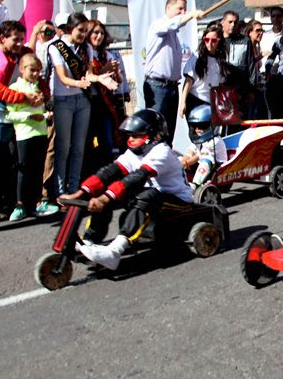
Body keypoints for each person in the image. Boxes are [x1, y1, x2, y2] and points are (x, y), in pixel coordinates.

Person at [60, 109, 194, 270]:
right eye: (130, 135)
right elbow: (110, 171)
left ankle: (115, 251)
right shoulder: (133, 153)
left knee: (144, 195)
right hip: (152, 195)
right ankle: (89, 241)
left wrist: (105, 198)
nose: (130, 139)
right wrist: (81, 193)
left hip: (178, 199)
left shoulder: (162, 151)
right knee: (109, 191)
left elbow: (138, 177)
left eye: (136, 135)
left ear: (154, 135)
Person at [0, 20, 46, 219]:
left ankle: (21, 202)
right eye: (15, 40)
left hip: (25, 123)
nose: (19, 44)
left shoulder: (24, 53)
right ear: (2, 38)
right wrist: (23, 97)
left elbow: (39, 78)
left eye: (21, 39)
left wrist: (43, 94)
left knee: (20, 163)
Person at [49, 13, 117, 197]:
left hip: (82, 101)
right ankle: (59, 191)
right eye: (81, 30)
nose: (82, 34)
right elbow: (62, 77)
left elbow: (88, 75)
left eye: (85, 31)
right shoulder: (57, 47)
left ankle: (74, 189)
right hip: (63, 101)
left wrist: (100, 78)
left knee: (79, 147)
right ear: (71, 27)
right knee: (64, 147)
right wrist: (79, 83)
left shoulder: (86, 48)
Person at [144, 0, 206, 140]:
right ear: (168, 8)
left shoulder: (174, 36)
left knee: (168, 132)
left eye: (185, 9)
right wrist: (192, 14)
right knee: (157, 131)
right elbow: (171, 24)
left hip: (171, 87)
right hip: (157, 86)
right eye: (180, 8)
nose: (183, 12)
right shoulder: (158, 25)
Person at [5, 54, 52, 221]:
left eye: (38, 70)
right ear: (22, 69)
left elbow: (42, 109)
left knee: (38, 168)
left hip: (40, 132)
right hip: (24, 134)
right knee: (23, 169)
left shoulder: (38, 87)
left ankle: (35, 203)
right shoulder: (15, 88)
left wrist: (46, 114)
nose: (35, 74)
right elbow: (11, 115)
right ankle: (19, 204)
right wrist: (30, 117)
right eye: (32, 70)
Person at [86, 20, 123, 167]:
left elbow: (118, 80)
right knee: (89, 142)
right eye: (95, 32)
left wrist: (114, 70)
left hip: (105, 102)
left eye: (101, 33)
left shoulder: (105, 54)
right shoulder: (85, 52)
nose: (99, 36)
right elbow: (89, 78)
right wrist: (105, 70)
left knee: (107, 140)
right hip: (89, 100)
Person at [179, 25, 226, 119]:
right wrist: (183, 102)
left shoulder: (220, 61)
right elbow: (188, 80)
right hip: (195, 99)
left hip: (211, 102)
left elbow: (220, 85)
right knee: (197, 131)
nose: (209, 43)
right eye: (206, 39)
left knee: (210, 132)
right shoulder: (196, 57)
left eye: (214, 40)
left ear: (219, 41)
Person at [180, 105, 228, 186]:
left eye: (202, 126)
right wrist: (182, 162)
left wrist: (186, 163)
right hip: (204, 168)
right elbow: (190, 152)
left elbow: (200, 156)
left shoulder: (215, 140)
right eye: (195, 127)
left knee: (206, 160)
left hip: (218, 169)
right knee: (179, 159)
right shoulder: (199, 140)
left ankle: (195, 185)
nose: (197, 130)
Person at [221, 10, 256, 121]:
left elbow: (251, 65)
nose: (232, 25)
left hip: (241, 89)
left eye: (235, 22)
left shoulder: (245, 40)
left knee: (240, 121)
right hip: (221, 89)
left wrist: (251, 90)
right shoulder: (216, 40)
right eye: (230, 22)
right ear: (223, 22)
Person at [245, 19, 269, 120]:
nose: (261, 33)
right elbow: (247, 67)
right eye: (257, 30)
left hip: (258, 87)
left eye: (262, 30)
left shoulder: (256, 47)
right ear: (250, 32)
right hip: (250, 88)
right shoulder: (247, 47)